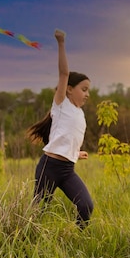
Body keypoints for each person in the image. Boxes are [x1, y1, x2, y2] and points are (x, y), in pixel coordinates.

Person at [27, 29, 94, 228]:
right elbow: (64, 73)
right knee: (38, 211)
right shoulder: (61, 104)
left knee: (86, 206)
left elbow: (67, 136)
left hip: (67, 170)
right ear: (69, 89)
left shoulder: (80, 114)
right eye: (84, 89)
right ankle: (26, 241)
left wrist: (75, 152)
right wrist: (61, 42)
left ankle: (78, 237)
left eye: (88, 90)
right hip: (49, 167)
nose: (87, 94)